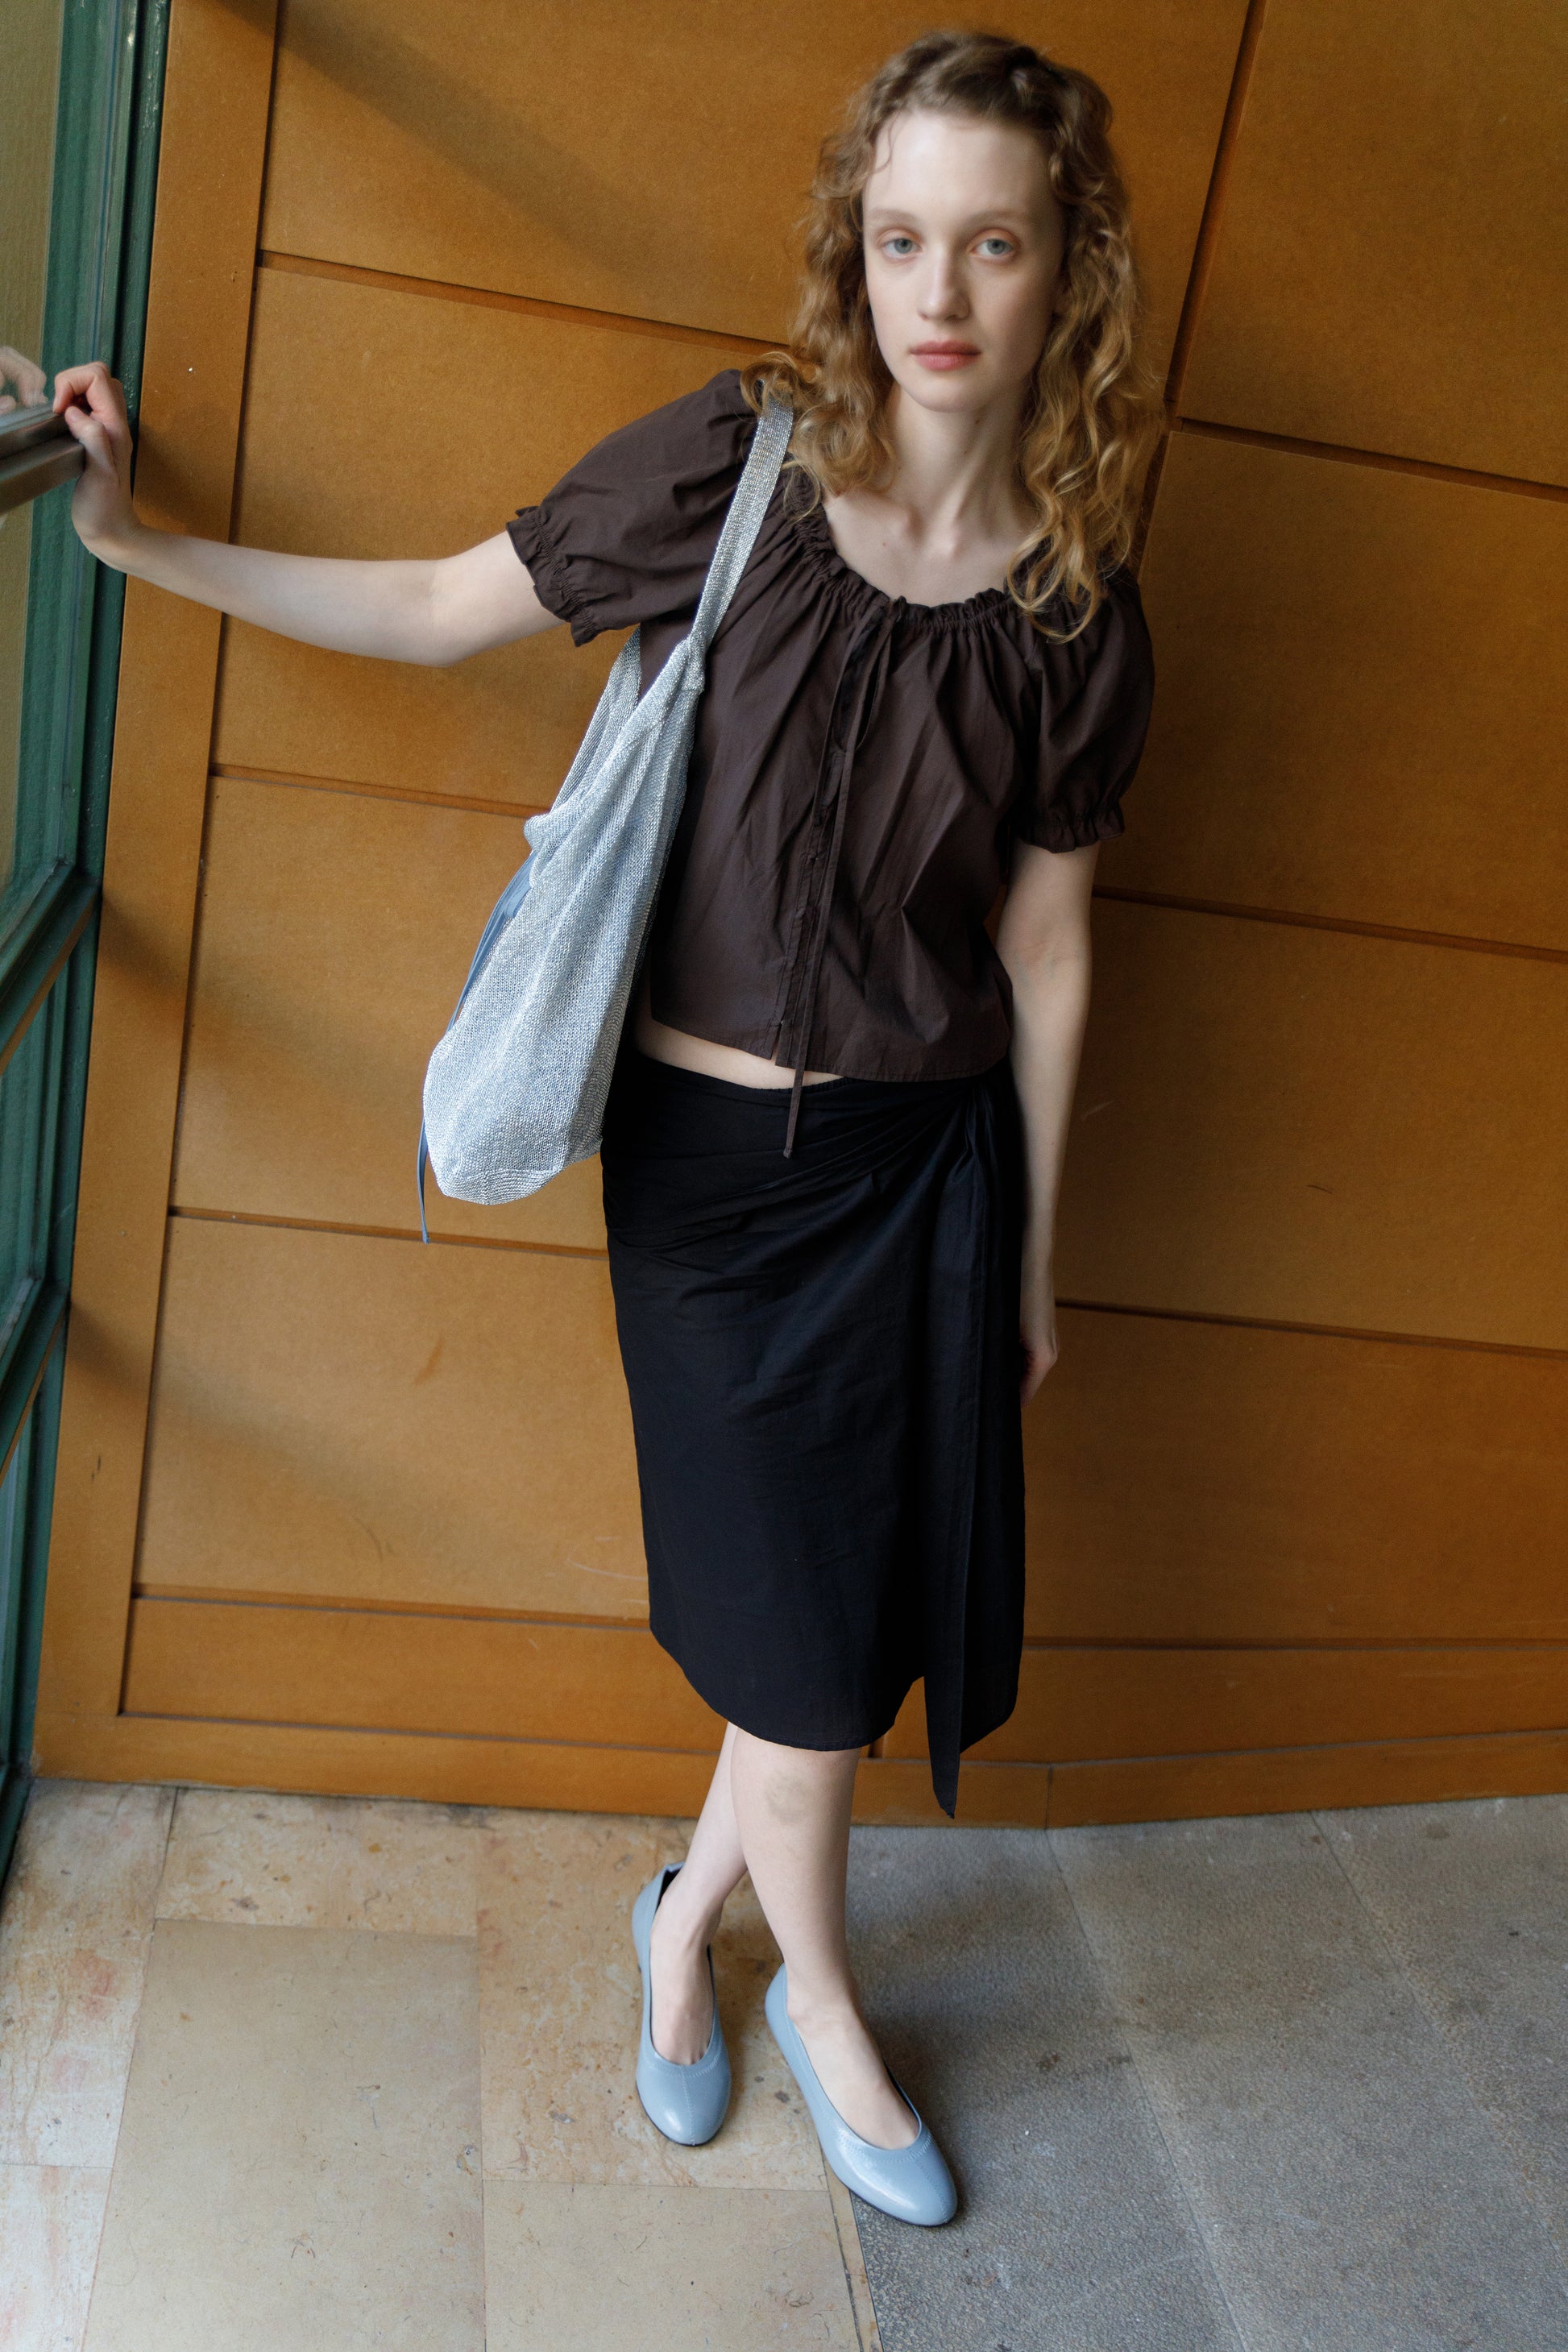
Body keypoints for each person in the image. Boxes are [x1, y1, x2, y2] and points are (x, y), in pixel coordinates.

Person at [56, 28, 1156, 2225]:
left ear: (1062, 276)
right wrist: (129, 541)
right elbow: (435, 608)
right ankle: (791, 1985)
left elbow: (1042, 952)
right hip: (705, 1186)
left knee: (821, 1644)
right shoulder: (736, 468)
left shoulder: (1073, 613)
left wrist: (1025, 1256)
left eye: (995, 242)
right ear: (861, 246)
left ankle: (699, 1941)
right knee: (814, 1656)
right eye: (902, 233)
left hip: (918, 1183)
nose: (938, 287)